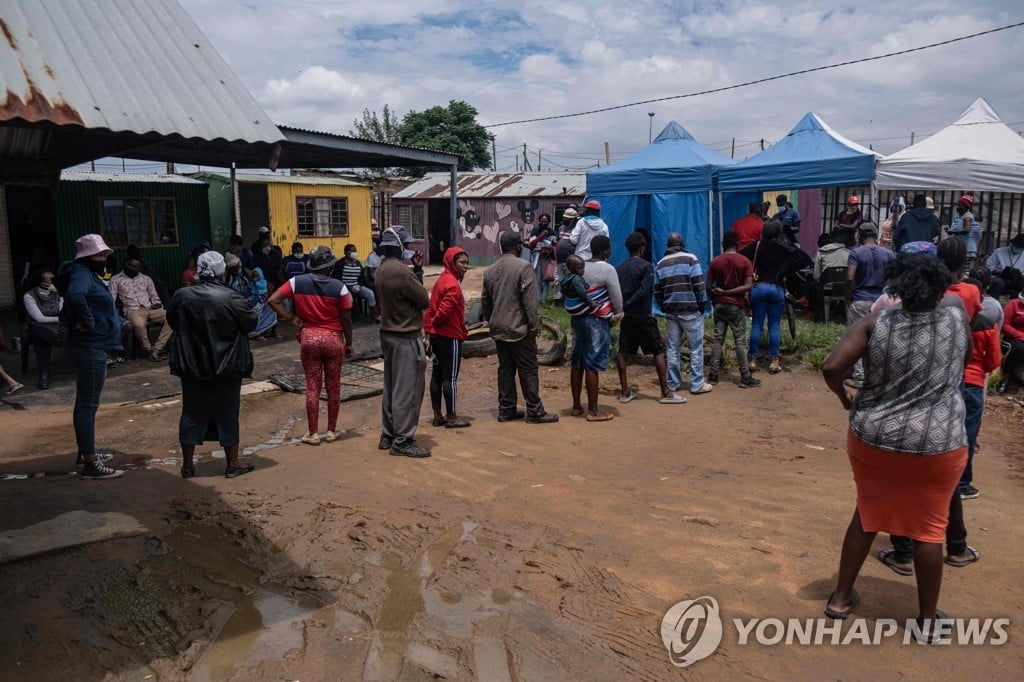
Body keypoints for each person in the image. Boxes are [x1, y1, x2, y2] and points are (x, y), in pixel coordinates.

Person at [821, 254, 971, 641]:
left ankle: (839, 599)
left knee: (868, 515)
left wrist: (845, 400)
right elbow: (964, 359)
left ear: (897, 287)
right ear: (942, 286)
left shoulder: (875, 323)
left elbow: (832, 367)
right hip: (939, 442)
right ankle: (925, 620)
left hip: (875, 437)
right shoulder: (957, 316)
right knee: (929, 528)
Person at [167, 251, 258, 479]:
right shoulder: (231, 297)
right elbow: (251, 323)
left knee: (191, 412)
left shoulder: (182, 296)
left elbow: (172, 320)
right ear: (222, 271)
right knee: (228, 413)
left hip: (192, 364)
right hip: (226, 365)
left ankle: (188, 465)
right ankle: (233, 464)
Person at [270, 246, 354, 446]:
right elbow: (347, 318)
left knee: (312, 387)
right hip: (334, 340)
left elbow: (273, 300)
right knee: (333, 386)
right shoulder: (339, 287)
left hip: (309, 339)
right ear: (330, 266)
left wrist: (292, 318)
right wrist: (349, 343)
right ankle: (332, 431)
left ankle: (312, 434)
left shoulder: (296, 282)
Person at [56, 234, 125, 479]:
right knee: (87, 405)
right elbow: (75, 296)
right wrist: (88, 322)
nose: (105, 258)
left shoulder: (83, 273)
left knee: (85, 403)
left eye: (106, 254)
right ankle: (90, 463)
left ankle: (85, 451)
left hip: (88, 345)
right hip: (89, 347)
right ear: (87, 257)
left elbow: (67, 306)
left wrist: (72, 322)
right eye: (100, 255)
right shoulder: (81, 275)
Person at [481, 231, 559, 424]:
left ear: (501, 246)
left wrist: (492, 319)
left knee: (505, 369)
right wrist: (534, 325)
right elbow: (530, 302)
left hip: (498, 329)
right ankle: (535, 412)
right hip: (519, 329)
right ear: (518, 247)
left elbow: (485, 300)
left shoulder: (490, 270)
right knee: (528, 369)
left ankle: (506, 410)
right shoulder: (524, 267)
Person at [375, 227, 432, 457]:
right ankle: (403, 439)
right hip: (405, 335)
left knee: (391, 387)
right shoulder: (402, 272)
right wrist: (417, 272)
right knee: (408, 390)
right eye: (405, 245)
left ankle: (388, 434)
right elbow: (423, 300)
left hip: (387, 334)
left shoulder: (381, 269)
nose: (408, 248)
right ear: (398, 246)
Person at [740, 221, 812, 374]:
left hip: (758, 288)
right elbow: (805, 259)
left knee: (757, 324)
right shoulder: (784, 247)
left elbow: (740, 258)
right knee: (774, 325)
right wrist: (784, 270)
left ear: (764, 231)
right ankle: (774, 361)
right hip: (777, 289)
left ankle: (752, 360)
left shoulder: (756, 246)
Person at [615, 232, 676, 402]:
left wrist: (623, 307)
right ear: (642, 249)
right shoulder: (647, 266)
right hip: (643, 316)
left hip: (627, 318)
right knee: (658, 351)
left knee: (623, 352)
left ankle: (625, 391)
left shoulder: (619, 268)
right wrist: (631, 304)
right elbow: (644, 291)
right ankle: (665, 392)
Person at [567, 235, 622, 421]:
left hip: (577, 320)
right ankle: (593, 411)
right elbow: (617, 300)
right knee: (592, 365)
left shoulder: (580, 265)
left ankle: (576, 406)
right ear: (605, 251)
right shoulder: (607, 269)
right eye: (610, 248)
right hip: (597, 322)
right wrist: (618, 314)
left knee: (577, 363)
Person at [655, 232, 711, 394]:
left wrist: (664, 307)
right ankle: (696, 384)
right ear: (682, 243)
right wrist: (702, 306)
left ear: (668, 245)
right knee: (696, 348)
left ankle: (673, 383)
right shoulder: (691, 259)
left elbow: (657, 292)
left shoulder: (660, 264)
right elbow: (699, 286)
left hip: (671, 311)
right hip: (690, 310)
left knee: (672, 348)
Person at [424, 247, 471, 429]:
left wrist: (429, 331)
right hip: (449, 336)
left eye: (467, 263)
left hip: (436, 337)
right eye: (462, 263)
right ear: (452, 262)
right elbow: (444, 311)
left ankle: (437, 415)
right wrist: (436, 323)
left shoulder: (440, 281)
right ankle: (451, 417)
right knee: (449, 378)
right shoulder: (452, 284)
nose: (465, 267)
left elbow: (429, 308)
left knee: (436, 376)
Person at [844, 223, 895, 388]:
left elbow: (850, 277)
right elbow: (895, 278)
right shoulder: (888, 254)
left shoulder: (855, 252)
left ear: (860, 235)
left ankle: (859, 377)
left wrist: (848, 296)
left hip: (859, 300)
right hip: (881, 301)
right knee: (879, 339)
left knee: (856, 338)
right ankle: (878, 376)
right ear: (875, 234)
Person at [707, 231, 760, 389]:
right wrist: (730, 293)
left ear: (723, 244)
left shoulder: (715, 262)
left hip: (719, 306)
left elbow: (708, 285)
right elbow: (749, 286)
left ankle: (713, 375)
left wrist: (717, 296)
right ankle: (745, 377)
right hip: (736, 305)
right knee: (739, 342)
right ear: (737, 244)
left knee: (717, 341)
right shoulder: (744, 261)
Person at [108, 259, 174, 362]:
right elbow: (111, 298)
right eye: (131, 266)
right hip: (132, 309)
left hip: (150, 308)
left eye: (136, 267)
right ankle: (148, 349)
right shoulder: (115, 279)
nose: (133, 269)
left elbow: (154, 295)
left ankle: (156, 349)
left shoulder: (146, 278)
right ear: (126, 264)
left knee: (171, 317)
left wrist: (157, 303)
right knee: (138, 325)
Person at [22, 268, 63, 389]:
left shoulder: (58, 293)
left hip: (55, 327)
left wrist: (58, 292)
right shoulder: (29, 296)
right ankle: (44, 374)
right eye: (51, 280)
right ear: (41, 282)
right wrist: (59, 319)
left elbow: (61, 310)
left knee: (43, 338)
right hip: (37, 327)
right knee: (40, 337)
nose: (54, 281)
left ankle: (44, 375)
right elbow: (39, 318)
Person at [224, 253, 278, 339]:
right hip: (237, 300)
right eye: (234, 268)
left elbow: (259, 278)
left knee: (271, 306)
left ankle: (268, 330)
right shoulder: (227, 277)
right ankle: (254, 332)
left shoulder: (245, 272)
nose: (237, 269)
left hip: (251, 296)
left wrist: (266, 287)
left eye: (238, 266)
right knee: (255, 310)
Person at [334, 244, 379, 322]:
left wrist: (360, 285)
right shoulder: (340, 264)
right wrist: (347, 288)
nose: (353, 252)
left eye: (354, 250)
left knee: (370, 294)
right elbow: (336, 278)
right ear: (345, 252)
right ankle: (349, 318)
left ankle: (374, 316)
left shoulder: (358, 263)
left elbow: (361, 277)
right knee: (350, 299)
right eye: (350, 251)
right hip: (344, 288)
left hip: (357, 286)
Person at [998, 288, 1024, 394]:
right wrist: (1020, 335)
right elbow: (1005, 325)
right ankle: (1004, 377)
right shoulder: (1014, 304)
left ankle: (1018, 377)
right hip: (1012, 338)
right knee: (1017, 349)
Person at [552, 207, 580, 301]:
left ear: (573, 219)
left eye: (567, 218)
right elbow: (558, 239)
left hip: (570, 259)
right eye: (564, 218)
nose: (564, 220)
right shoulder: (561, 228)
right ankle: (556, 298)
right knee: (558, 279)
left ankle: (568, 299)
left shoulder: (577, 229)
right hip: (559, 259)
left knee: (569, 280)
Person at [986, 233, 1024, 299]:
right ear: (1013, 244)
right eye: (1017, 246)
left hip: (1018, 280)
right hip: (1001, 278)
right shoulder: (999, 251)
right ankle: (994, 303)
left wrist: (1020, 274)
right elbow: (989, 265)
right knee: (997, 282)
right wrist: (998, 272)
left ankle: (1016, 305)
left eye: (1021, 247)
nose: (1018, 248)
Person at [528, 213, 556, 302]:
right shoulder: (535, 230)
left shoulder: (552, 232)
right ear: (539, 221)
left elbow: (554, 245)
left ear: (549, 222)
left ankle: (544, 298)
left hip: (547, 258)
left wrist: (545, 247)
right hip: (537, 257)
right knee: (538, 278)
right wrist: (542, 236)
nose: (544, 223)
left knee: (545, 279)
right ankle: (538, 297)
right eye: (542, 221)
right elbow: (532, 243)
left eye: (546, 221)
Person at [947, 194, 981, 258]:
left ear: (965, 207)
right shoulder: (962, 217)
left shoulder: (967, 216)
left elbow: (967, 229)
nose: (958, 207)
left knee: (964, 267)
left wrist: (953, 232)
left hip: (967, 250)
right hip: (964, 249)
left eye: (960, 206)